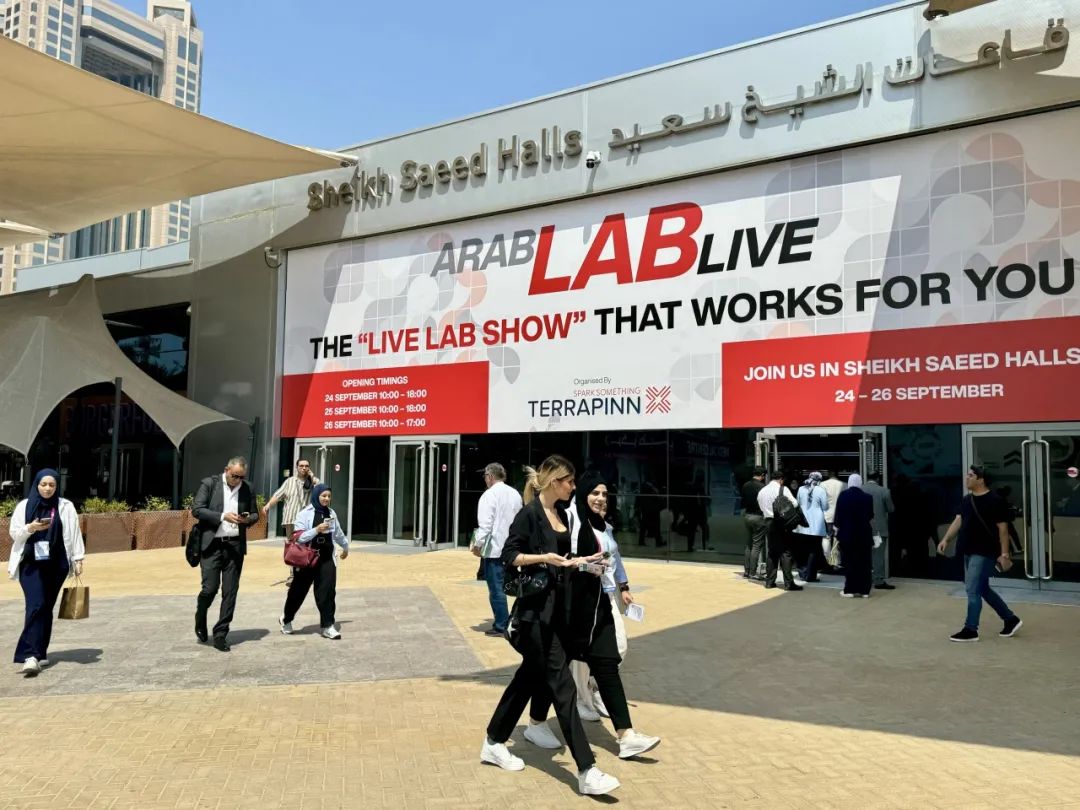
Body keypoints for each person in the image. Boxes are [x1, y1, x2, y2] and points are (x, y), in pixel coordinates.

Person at [480, 455, 621, 796]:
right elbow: (509, 555)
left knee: (527, 680)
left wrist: (582, 563)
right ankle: (587, 769)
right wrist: (544, 557)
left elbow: (562, 562)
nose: (574, 487)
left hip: (558, 613)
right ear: (555, 481)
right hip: (534, 617)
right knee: (563, 688)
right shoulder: (530, 514)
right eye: (569, 481)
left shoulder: (561, 514)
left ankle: (494, 741)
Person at [528, 471, 660, 760]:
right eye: (594, 493)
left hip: (598, 607)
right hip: (570, 609)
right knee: (554, 669)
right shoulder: (571, 520)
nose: (601, 499)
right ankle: (536, 723)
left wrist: (622, 585)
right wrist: (588, 566)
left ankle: (626, 736)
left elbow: (613, 559)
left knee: (608, 666)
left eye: (604, 494)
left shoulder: (603, 526)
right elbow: (563, 560)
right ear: (582, 494)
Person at [8, 469, 85, 676]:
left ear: (57, 486)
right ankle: (30, 655)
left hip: (56, 564)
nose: (48, 488)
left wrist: (78, 558)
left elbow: (74, 532)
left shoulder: (65, 506)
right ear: (36, 485)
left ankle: (40, 652)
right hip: (30, 564)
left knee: (46, 607)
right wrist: (31, 528)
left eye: (52, 485)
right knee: (36, 605)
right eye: (44, 484)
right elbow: (14, 533)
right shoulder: (24, 506)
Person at [936, 466, 1022, 642]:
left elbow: (1003, 529)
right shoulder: (967, 500)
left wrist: (1004, 553)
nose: (967, 478)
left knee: (972, 588)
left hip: (984, 551)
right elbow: (959, 520)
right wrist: (946, 539)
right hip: (967, 549)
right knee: (982, 588)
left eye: (971, 475)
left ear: (981, 480)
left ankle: (971, 629)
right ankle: (1010, 619)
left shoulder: (995, 500)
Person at [192, 456, 259, 652]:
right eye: (234, 476)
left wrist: (247, 519)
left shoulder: (247, 488)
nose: (237, 480)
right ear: (226, 470)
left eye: (241, 477)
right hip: (212, 545)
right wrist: (222, 516)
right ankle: (200, 615)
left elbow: (255, 514)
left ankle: (221, 633)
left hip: (235, 546)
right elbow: (197, 510)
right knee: (210, 589)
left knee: (230, 592)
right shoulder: (209, 484)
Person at [278, 483, 349, 639]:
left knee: (327, 592)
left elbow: (338, 533)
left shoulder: (331, 513)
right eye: (323, 496)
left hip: (326, 557)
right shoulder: (304, 514)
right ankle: (286, 619)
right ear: (317, 496)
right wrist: (316, 530)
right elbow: (299, 537)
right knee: (298, 591)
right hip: (308, 558)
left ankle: (328, 626)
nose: (326, 499)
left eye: (329, 496)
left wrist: (345, 547)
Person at [471, 462, 523, 637]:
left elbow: (485, 525)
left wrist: (477, 545)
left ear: (490, 476)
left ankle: (501, 625)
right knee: (513, 586)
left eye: (485, 476)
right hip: (512, 549)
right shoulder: (515, 494)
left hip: (495, 549)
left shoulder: (489, 495)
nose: (485, 479)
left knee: (496, 589)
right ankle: (515, 620)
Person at [757, 471, 802, 591]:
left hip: (768, 522)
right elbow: (795, 503)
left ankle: (769, 582)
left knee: (772, 552)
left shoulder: (762, 491)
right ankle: (789, 583)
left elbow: (761, 507)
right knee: (785, 552)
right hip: (782, 523)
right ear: (781, 479)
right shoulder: (783, 489)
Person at [835, 474, 875, 597]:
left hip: (847, 535)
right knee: (865, 563)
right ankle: (865, 591)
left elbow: (838, 516)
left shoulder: (843, 496)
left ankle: (850, 589)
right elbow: (870, 515)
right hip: (864, 535)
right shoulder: (868, 497)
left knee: (850, 562)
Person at [262, 458, 319, 539]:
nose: (304, 468)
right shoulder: (289, 481)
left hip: (306, 520)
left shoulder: (314, 481)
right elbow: (278, 495)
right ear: (297, 467)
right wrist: (268, 505)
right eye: (301, 466)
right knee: (291, 543)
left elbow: (322, 493)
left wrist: (312, 478)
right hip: (291, 518)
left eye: (306, 466)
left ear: (309, 468)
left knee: (305, 542)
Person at [863, 473, 896, 590]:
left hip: (864, 528)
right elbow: (891, 509)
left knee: (864, 555)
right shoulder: (884, 491)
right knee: (878, 556)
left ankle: (865, 578)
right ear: (877, 478)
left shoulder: (860, 490)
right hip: (879, 528)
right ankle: (878, 580)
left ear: (867, 478)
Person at [795, 472, 828, 583]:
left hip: (802, 524)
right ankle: (811, 576)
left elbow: (797, 503)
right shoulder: (821, 490)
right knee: (814, 551)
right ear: (819, 480)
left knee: (802, 550)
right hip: (816, 525)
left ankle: (802, 573)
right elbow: (825, 506)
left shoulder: (801, 489)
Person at [741, 466, 767, 580]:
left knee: (749, 544)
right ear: (762, 475)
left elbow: (743, 501)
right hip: (758, 516)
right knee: (756, 545)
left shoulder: (745, 485)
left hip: (747, 515)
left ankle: (746, 571)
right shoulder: (762, 487)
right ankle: (752, 572)